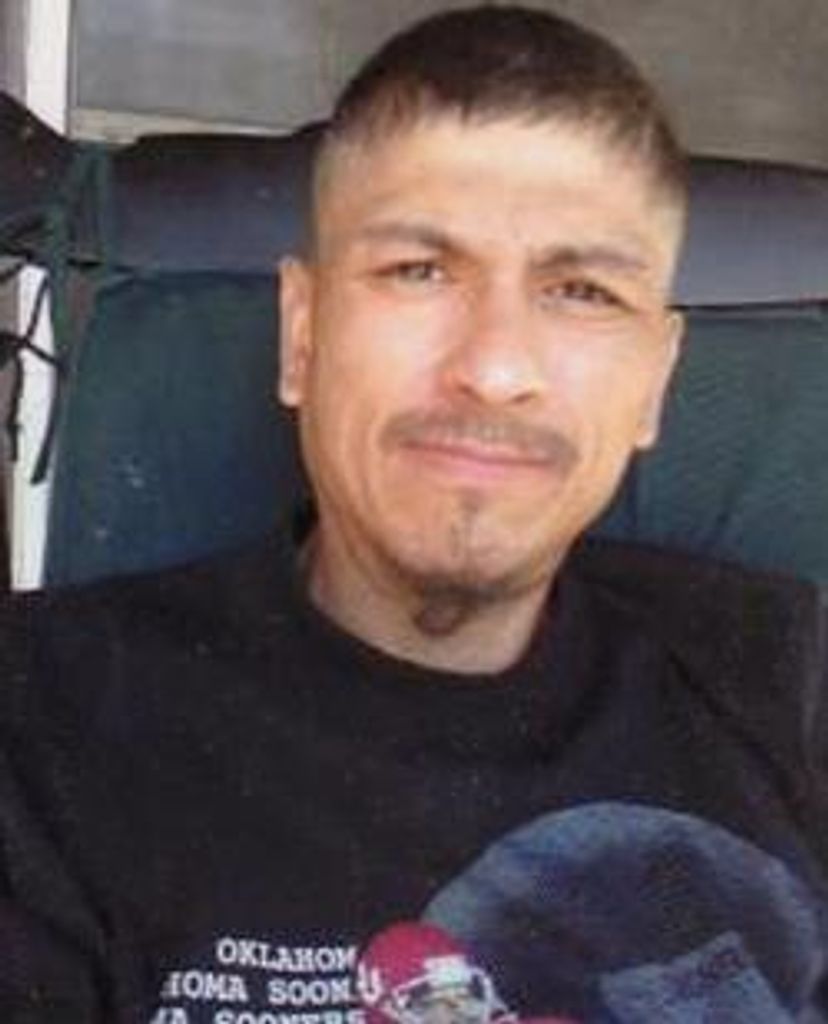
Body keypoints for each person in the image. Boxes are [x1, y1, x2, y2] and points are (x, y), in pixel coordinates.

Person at [0, 6, 826, 1022]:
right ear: (303, 336)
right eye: (418, 272)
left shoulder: (788, 685)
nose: (495, 367)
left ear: (655, 381)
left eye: (582, 291)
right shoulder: (43, 718)